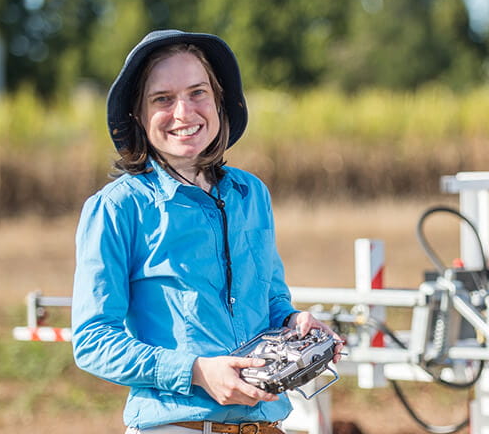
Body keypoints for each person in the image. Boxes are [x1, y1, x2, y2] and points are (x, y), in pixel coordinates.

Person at [71, 29, 343, 434]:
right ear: (137, 116)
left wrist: (293, 323)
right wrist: (197, 371)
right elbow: (92, 341)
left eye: (197, 92)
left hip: (267, 426)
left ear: (219, 101)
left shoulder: (251, 193)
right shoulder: (117, 208)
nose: (184, 112)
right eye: (162, 99)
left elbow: (271, 300)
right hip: (178, 426)